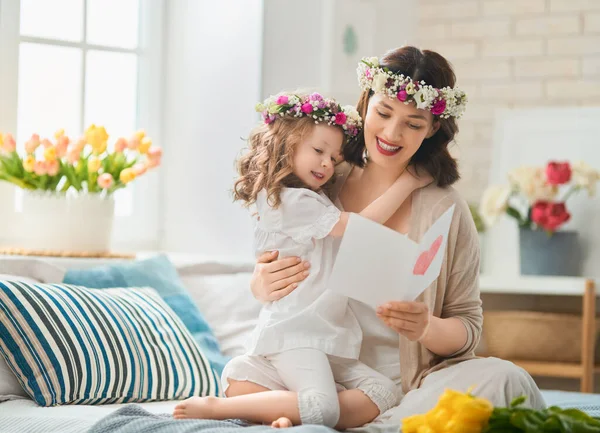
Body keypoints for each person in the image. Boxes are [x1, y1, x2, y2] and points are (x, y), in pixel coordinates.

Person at [223, 46, 546, 429]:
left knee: (507, 379)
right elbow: (277, 252)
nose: (392, 133)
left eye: (413, 123)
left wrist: (427, 327)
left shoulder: (445, 208)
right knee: (235, 376)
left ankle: (325, 415)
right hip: (313, 365)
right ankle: (323, 410)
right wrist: (260, 285)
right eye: (383, 113)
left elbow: (467, 328)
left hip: (407, 387)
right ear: (365, 104)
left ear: (432, 129)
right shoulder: (320, 182)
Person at [173, 91, 432, 428]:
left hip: (325, 335)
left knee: (384, 392)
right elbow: (356, 228)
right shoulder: (288, 200)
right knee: (324, 409)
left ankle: (284, 412)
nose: (327, 163)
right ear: (287, 144)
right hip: (296, 332)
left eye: (334, 157)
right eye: (318, 151)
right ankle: (216, 407)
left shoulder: (313, 198)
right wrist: (408, 183)